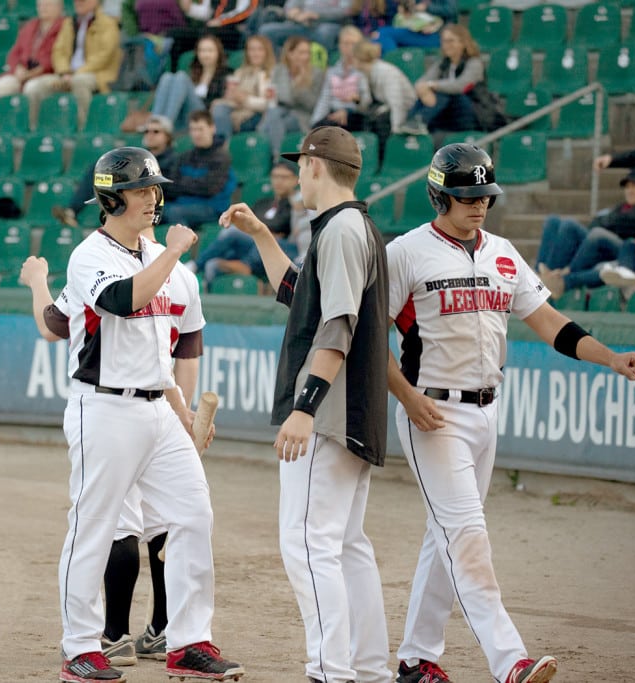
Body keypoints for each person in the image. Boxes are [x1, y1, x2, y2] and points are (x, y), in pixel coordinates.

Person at [386, 143, 635, 683]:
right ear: (439, 196)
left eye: (485, 195)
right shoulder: (407, 252)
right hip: (432, 412)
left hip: (485, 411)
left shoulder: (502, 251)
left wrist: (611, 358)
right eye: (467, 196)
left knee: (446, 536)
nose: (478, 205)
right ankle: (511, 662)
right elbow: (368, 338)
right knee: (469, 536)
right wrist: (406, 397)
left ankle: (414, 660)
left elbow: (550, 323)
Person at [54, 145, 243, 683]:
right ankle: (80, 646)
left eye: (155, 189)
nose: (153, 199)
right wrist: (174, 253)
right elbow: (122, 301)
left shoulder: (157, 259)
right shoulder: (90, 254)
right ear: (111, 197)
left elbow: (180, 343)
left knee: (193, 515)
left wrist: (184, 407)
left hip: (158, 408)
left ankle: (187, 641)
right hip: (104, 406)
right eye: (141, 190)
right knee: (93, 526)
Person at [219, 126, 392, 683]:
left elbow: (337, 324)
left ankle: (330, 671)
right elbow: (303, 297)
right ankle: (368, 669)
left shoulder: (341, 229)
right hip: (356, 411)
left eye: (300, 165)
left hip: (329, 415)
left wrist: (305, 406)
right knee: (346, 546)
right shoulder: (353, 226)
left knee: (307, 544)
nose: (296, 174)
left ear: (316, 166)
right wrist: (262, 236)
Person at [53, 113, 178, 229]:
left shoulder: (174, 160)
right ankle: (72, 212)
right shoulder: (139, 156)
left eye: (156, 132)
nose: (150, 135)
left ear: (167, 136)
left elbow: (165, 188)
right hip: (132, 195)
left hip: (152, 201)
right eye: (147, 131)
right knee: (98, 169)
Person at [535, 166, 635, 300]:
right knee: (553, 220)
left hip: (625, 253)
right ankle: (542, 274)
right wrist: (610, 222)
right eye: (627, 187)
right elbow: (597, 222)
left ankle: (561, 277)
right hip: (596, 247)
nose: (630, 191)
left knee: (583, 229)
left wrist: (609, 222)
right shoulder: (621, 207)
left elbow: (626, 225)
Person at [192, 161, 300, 287]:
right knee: (214, 261)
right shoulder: (262, 203)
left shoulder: (296, 206)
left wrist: (262, 230)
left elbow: (285, 230)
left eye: (284, 177)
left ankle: (197, 265)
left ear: (295, 180)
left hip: (278, 249)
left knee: (233, 233)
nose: (279, 181)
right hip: (252, 244)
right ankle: (208, 276)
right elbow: (248, 223)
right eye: (275, 176)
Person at [22, 0, 122, 131]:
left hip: (97, 74)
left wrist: (77, 73)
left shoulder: (107, 23)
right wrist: (64, 72)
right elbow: (58, 51)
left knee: (79, 82)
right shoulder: (69, 22)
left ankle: (81, 130)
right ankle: (35, 131)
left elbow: (104, 55)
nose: (78, 3)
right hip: (67, 74)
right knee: (33, 87)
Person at [398, 24, 482, 135]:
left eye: (451, 41)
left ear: (463, 42)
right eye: (444, 41)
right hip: (448, 114)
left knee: (444, 92)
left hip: (472, 112)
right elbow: (421, 82)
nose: (446, 45)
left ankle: (419, 120)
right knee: (433, 92)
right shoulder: (443, 63)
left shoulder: (474, 63)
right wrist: (424, 91)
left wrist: (431, 86)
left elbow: (460, 86)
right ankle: (411, 121)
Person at [160, 109, 236, 229]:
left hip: (212, 208)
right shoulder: (184, 157)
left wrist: (182, 184)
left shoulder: (221, 158)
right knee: (151, 211)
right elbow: (171, 185)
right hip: (183, 203)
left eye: (200, 129)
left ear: (212, 128)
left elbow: (209, 188)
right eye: (193, 129)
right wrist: (192, 184)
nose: (196, 134)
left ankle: (182, 246)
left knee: (173, 212)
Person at [257, 36, 325, 157]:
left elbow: (313, 104)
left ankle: (272, 156)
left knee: (273, 122)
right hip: (279, 112)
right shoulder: (279, 70)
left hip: (301, 116)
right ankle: (278, 156)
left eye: (307, 53)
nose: (306, 57)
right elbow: (276, 96)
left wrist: (299, 86)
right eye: (301, 53)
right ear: (290, 54)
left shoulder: (317, 73)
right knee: (274, 115)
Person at [148, 33, 230, 133]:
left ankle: (166, 123)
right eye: (202, 51)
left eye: (210, 51)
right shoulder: (193, 73)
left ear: (218, 52)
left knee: (181, 76)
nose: (206, 54)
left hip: (204, 115)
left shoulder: (226, 74)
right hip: (184, 114)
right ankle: (153, 122)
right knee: (167, 77)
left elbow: (225, 99)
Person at [351, 39, 416, 162]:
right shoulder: (364, 73)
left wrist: (396, 129)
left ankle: (383, 160)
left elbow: (397, 103)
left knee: (380, 122)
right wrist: (358, 101)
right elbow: (366, 102)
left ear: (359, 58)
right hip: (384, 106)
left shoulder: (387, 72)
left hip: (407, 109)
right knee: (359, 118)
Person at [0, 0, 65, 102]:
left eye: (47, 5)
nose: (43, 8)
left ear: (59, 8)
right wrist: (17, 68)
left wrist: (36, 71)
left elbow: (61, 55)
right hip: (23, 72)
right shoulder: (30, 26)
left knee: (32, 88)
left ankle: (30, 118)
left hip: (49, 73)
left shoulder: (65, 26)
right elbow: (14, 53)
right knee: (2, 85)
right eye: (40, 5)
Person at [210, 34, 275, 143]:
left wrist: (245, 99)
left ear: (266, 52)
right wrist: (228, 98)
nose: (255, 53)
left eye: (260, 50)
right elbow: (233, 99)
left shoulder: (272, 73)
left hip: (258, 114)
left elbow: (268, 104)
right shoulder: (240, 72)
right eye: (252, 50)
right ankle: (222, 147)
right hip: (237, 110)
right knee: (219, 108)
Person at [166, 0, 256, 76]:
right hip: (211, 28)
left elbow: (246, 10)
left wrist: (222, 21)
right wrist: (189, 8)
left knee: (207, 33)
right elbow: (206, 12)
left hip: (233, 30)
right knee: (176, 34)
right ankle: (174, 74)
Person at [310, 26, 372, 132]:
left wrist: (349, 108)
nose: (349, 48)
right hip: (334, 115)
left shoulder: (364, 70)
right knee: (319, 129)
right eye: (345, 43)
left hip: (356, 114)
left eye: (353, 44)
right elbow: (324, 99)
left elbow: (367, 101)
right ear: (339, 46)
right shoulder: (332, 71)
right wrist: (314, 123)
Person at [257, 0, 356, 51]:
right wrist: (295, 14)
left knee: (325, 33)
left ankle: (321, 67)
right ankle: (279, 68)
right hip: (300, 24)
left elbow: (347, 10)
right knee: (266, 31)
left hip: (329, 24)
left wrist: (317, 15)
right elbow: (289, 6)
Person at [373, 0, 455, 54]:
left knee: (383, 34)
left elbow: (451, 9)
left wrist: (427, 8)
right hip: (415, 31)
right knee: (379, 36)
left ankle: (394, 66)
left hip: (438, 35)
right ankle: (394, 67)